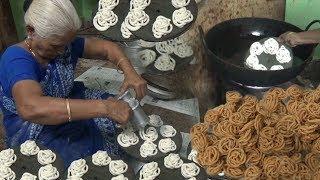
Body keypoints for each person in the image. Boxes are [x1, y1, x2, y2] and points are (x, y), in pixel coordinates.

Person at [0, 0, 147, 166]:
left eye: (66, 44)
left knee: (123, 117)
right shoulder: (16, 59)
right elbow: (30, 108)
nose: (63, 51)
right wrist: (104, 107)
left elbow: (107, 48)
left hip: (68, 100)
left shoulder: (63, 44)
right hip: (36, 125)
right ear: (31, 31)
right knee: (80, 160)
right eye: (56, 46)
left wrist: (130, 72)